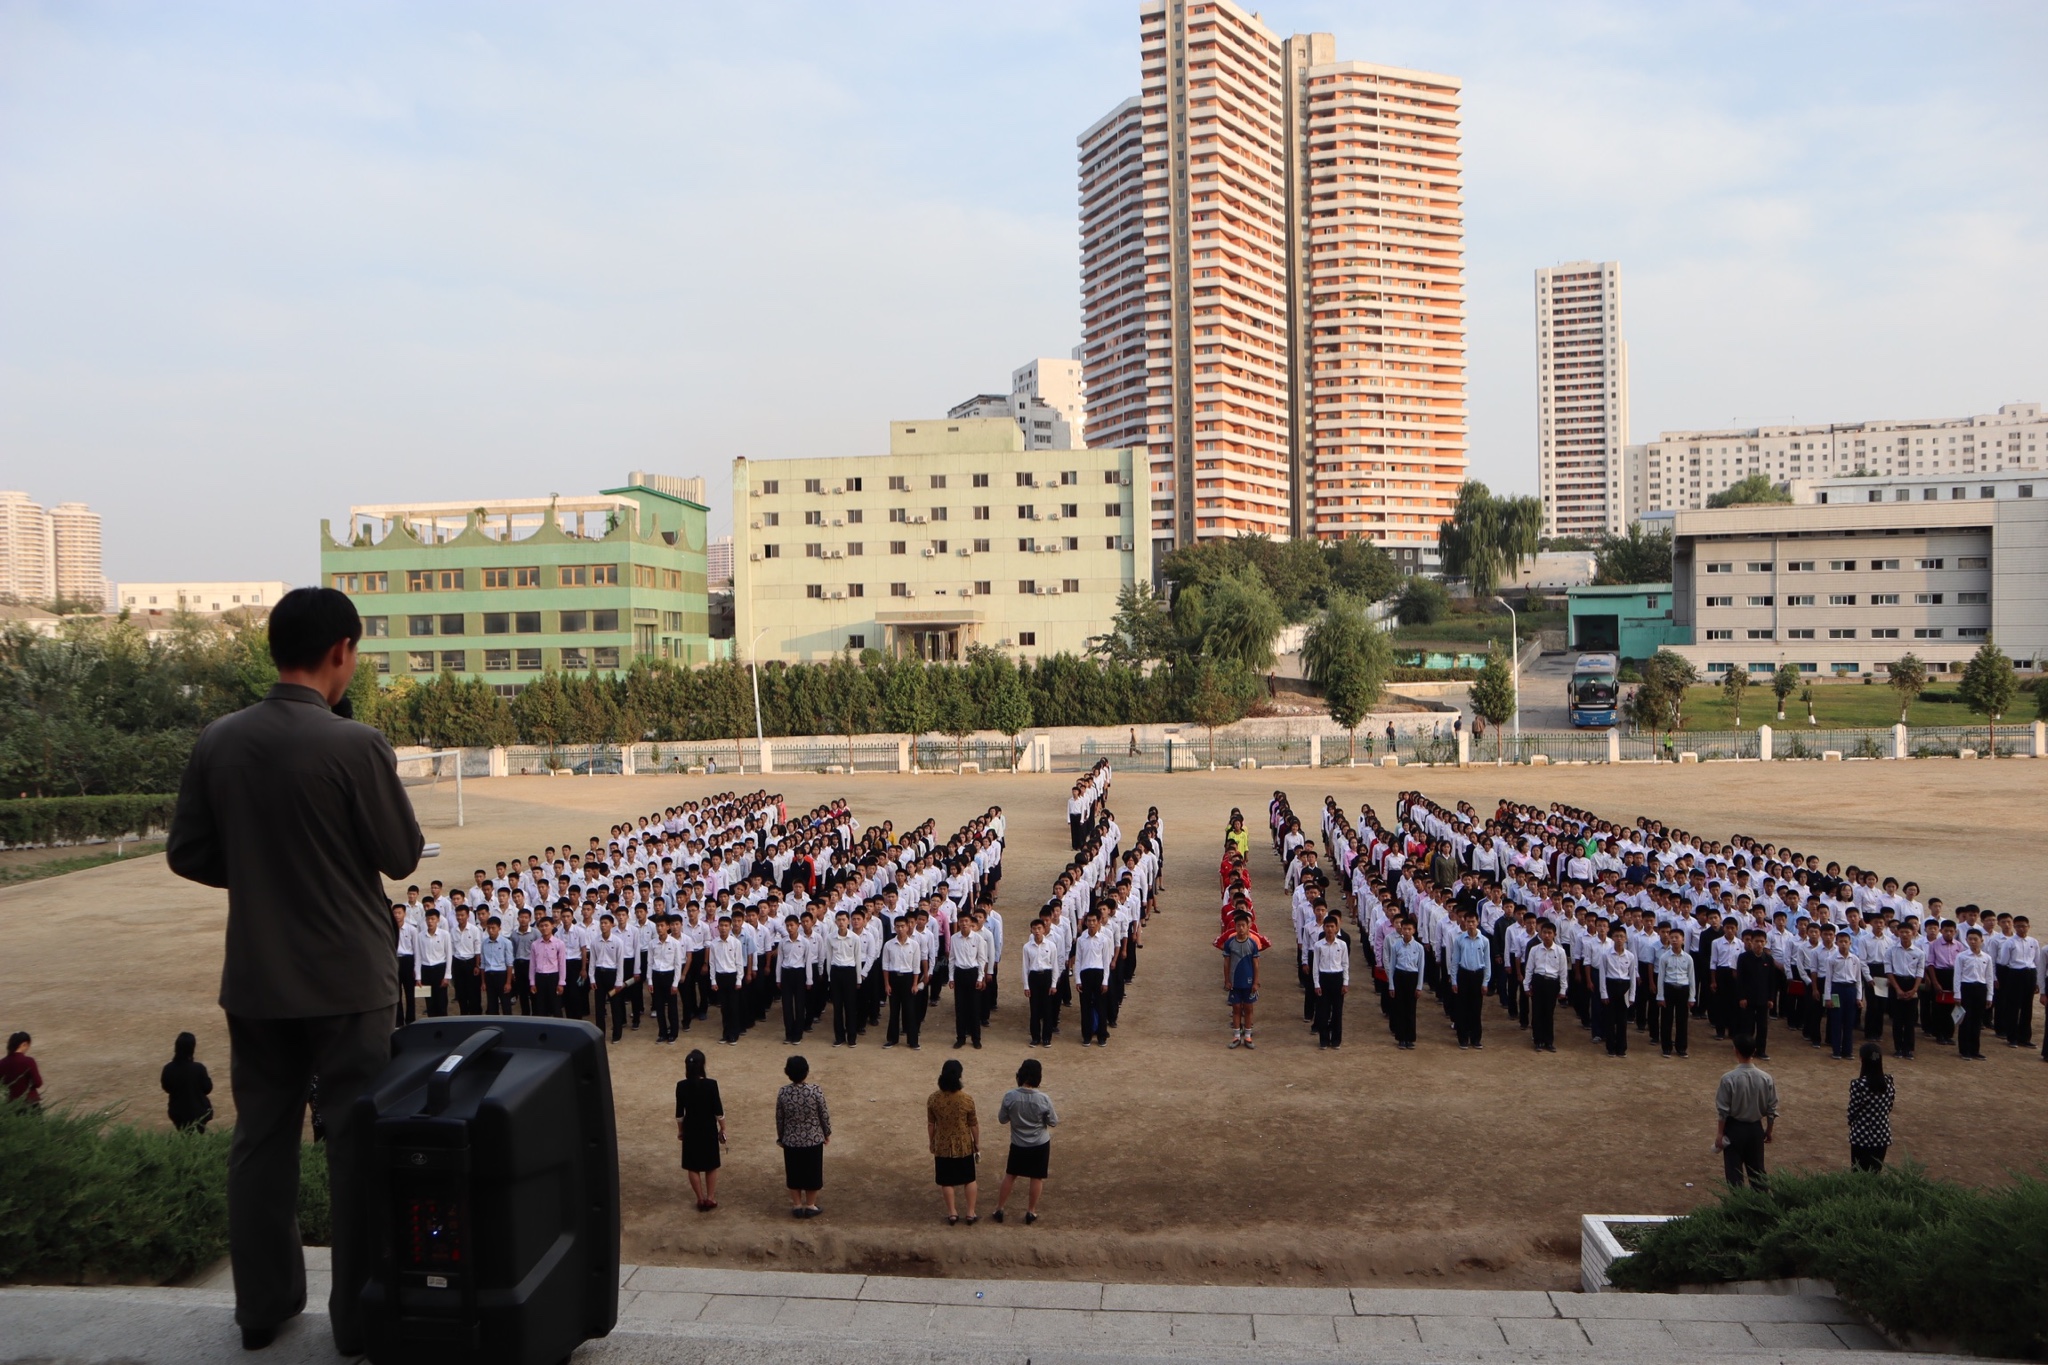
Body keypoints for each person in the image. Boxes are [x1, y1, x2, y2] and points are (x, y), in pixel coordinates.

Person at [166, 586, 424, 1355]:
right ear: (341, 650)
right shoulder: (355, 743)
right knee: (355, 1142)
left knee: (261, 1139)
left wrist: (261, 871)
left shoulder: (220, 739)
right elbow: (402, 854)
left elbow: (188, 851)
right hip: (347, 976)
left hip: (257, 972)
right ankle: (360, 1315)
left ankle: (262, 1308)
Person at [991, 1057, 1057, 1225]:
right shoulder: (1043, 1099)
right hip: (1039, 1143)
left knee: (1010, 1175)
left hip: (1018, 1143)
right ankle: (1031, 1211)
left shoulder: (1010, 1096)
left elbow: (1002, 1119)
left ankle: (999, 1208)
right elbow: (1053, 1122)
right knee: (1036, 1177)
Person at [1713, 1033, 1777, 1188]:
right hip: (1755, 1129)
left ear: (1735, 1051)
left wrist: (1720, 1133)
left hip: (1734, 1129)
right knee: (1758, 1174)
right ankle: (1761, 1209)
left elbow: (1723, 1111)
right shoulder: (1766, 1078)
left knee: (1734, 1175)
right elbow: (1771, 1109)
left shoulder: (1728, 1078)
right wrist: (1768, 1130)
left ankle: (1737, 1208)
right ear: (1754, 1051)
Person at [775, 1054, 830, 1218]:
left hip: (791, 1139)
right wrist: (826, 1133)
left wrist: (781, 1137)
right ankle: (810, 1205)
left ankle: (797, 1205)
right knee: (813, 1172)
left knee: (794, 1172)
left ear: (788, 1072)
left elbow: (780, 1117)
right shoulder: (815, 1091)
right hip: (813, 1138)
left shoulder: (783, 1092)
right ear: (806, 1071)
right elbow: (823, 1114)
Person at [927, 1058, 980, 1224]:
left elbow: (931, 1124)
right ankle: (970, 1213)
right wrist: (976, 1143)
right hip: (963, 1143)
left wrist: (932, 1142)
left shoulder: (933, 1099)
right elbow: (973, 1124)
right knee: (969, 1179)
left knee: (946, 1180)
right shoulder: (966, 1099)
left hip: (942, 1144)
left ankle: (952, 1213)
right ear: (959, 1076)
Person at [675, 1049, 725, 1212]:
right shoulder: (711, 1084)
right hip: (708, 1128)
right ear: (703, 1065)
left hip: (690, 1128)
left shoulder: (681, 1086)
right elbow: (718, 1110)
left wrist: (681, 1131)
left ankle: (700, 1198)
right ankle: (710, 1198)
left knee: (693, 1165)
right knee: (711, 1165)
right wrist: (723, 1128)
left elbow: (679, 1113)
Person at [1847, 1042, 1894, 1172]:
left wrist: (1852, 1122)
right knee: (1875, 1173)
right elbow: (1889, 1106)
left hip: (1861, 1135)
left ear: (1862, 1059)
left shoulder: (1858, 1084)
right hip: (1882, 1135)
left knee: (1857, 1173)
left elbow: (1852, 1111)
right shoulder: (1889, 1081)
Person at [1221, 911, 1261, 1049]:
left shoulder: (1252, 944)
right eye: (1238, 925)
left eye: (1243, 925)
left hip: (1249, 982)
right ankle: (1237, 1036)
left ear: (1248, 927)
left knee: (1248, 1008)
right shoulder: (1230, 943)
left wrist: (1256, 982)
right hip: (1235, 981)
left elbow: (1256, 964)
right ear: (1235, 926)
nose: (1241, 928)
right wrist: (1227, 980)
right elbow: (1226, 962)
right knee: (1236, 1008)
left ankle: (1248, 1036)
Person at [161, 1031, 215, 1132]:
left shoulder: (168, 1068)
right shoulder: (199, 1068)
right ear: (192, 1048)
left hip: (178, 1112)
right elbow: (207, 1088)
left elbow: (166, 1087)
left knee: (183, 1134)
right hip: (199, 1111)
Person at [1, 1031, 42, 1106]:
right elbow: (38, 1083)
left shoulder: (2, 1063)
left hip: (11, 1105)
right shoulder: (28, 1061)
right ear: (24, 1044)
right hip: (30, 1102)